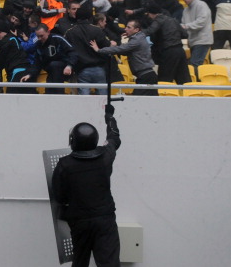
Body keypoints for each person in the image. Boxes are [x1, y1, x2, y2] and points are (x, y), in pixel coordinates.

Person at [52, 105, 121, 267]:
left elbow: (59, 196)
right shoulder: (106, 156)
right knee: (109, 262)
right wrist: (110, 117)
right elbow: (115, 138)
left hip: (79, 221)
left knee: (80, 261)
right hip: (105, 219)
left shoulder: (64, 164)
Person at [91, 20, 158, 96]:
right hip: (147, 76)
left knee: (136, 100)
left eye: (129, 27)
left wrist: (99, 50)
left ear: (136, 30)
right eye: (126, 27)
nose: (125, 29)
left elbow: (121, 49)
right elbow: (124, 51)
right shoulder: (138, 38)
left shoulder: (136, 40)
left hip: (146, 77)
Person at [65, 7, 111, 95]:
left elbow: (67, 51)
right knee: (103, 100)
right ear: (90, 17)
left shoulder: (70, 32)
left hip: (82, 69)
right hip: (99, 68)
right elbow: (107, 46)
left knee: (84, 100)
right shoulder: (97, 30)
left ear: (76, 17)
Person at [20, 23, 77, 94]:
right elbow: (37, 63)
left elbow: (73, 52)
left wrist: (69, 66)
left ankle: (59, 95)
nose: (39, 38)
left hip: (64, 69)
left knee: (54, 65)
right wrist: (30, 74)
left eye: (41, 36)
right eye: (37, 36)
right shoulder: (38, 44)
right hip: (51, 71)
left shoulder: (58, 39)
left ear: (48, 32)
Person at [144, 3, 191, 84]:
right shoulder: (173, 20)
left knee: (164, 79)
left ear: (150, 13)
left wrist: (135, 32)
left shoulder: (158, 20)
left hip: (168, 51)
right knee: (184, 80)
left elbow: (149, 31)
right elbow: (185, 34)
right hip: (180, 51)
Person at [181, 0, 213, 78]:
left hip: (203, 39)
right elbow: (183, 24)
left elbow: (201, 21)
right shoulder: (185, 10)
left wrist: (186, 26)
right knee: (194, 63)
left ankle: (196, 83)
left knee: (195, 63)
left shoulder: (202, 5)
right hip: (193, 40)